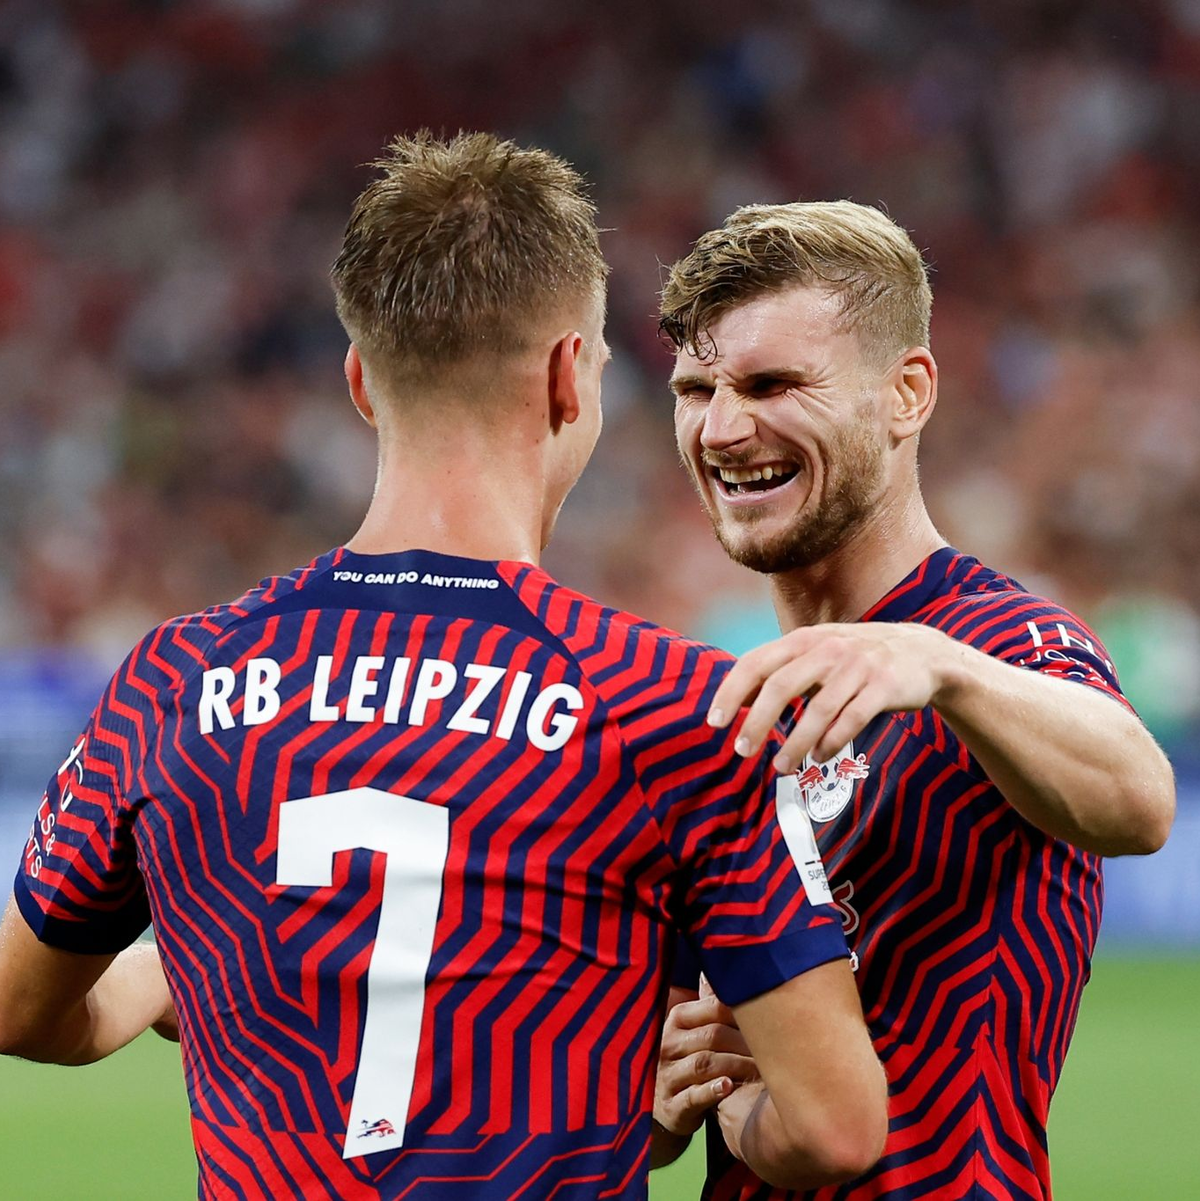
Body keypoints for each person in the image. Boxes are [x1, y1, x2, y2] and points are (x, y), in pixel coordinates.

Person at [0, 134, 887, 1199]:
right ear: (569, 376)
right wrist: (703, 1103)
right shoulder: (677, 705)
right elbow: (838, 1126)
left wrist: (154, 974)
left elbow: (23, 1008)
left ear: (360, 380)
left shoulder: (172, 679)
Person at [651, 201, 1176, 1200]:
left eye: (772, 384)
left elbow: (1139, 799)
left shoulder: (994, 645)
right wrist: (662, 1099)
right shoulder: (721, 711)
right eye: (696, 388)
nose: (722, 428)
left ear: (905, 394)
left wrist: (944, 669)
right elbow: (650, 1110)